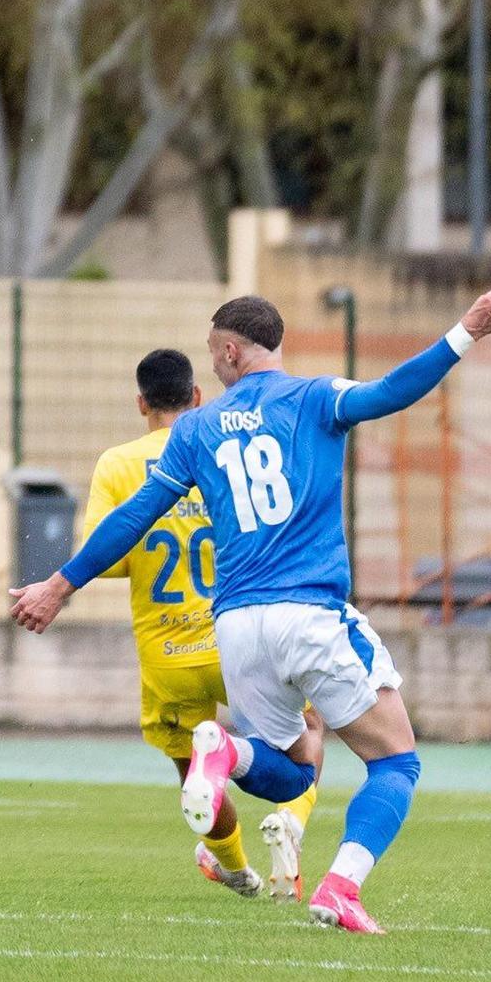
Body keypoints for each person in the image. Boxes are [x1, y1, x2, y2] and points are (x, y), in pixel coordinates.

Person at [12, 287, 491, 933]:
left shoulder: (195, 428)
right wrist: (465, 331)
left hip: (238, 627)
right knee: (396, 761)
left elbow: (135, 514)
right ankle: (340, 888)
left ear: (228, 351)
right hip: (308, 613)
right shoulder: (314, 398)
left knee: (288, 773)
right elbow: (392, 391)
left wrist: (60, 583)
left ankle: (222, 749)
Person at [79, 349, 321, 902]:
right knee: (309, 730)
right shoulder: (222, 446)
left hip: (167, 652)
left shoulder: (116, 465)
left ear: (140, 403)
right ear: (196, 398)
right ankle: (292, 819)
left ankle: (235, 869)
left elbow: (106, 558)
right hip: (241, 635)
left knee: (196, 770)